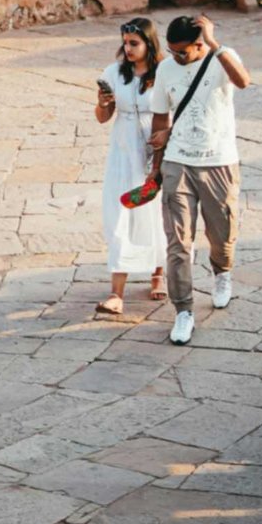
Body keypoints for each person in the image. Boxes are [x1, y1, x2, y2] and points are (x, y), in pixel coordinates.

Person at [147, 12, 252, 345]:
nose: (176, 57)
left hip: (219, 161)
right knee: (178, 242)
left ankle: (222, 272)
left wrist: (214, 43)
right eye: (171, 50)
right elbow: (161, 116)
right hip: (178, 161)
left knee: (223, 233)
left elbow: (243, 81)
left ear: (199, 43)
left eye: (183, 51)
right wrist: (156, 166)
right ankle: (183, 311)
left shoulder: (223, 58)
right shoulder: (165, 69)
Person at [93, 17, 166, 317]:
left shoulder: (164, 74)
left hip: (153, 147)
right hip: (123, 150)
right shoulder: (114, 73)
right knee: (121, 211)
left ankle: (157, 273)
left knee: (157, 210)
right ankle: (116, 292)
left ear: (149, 43)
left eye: (134, 43)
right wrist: (103, 101)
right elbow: (102, 117)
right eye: (125, 43)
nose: (128, 49)